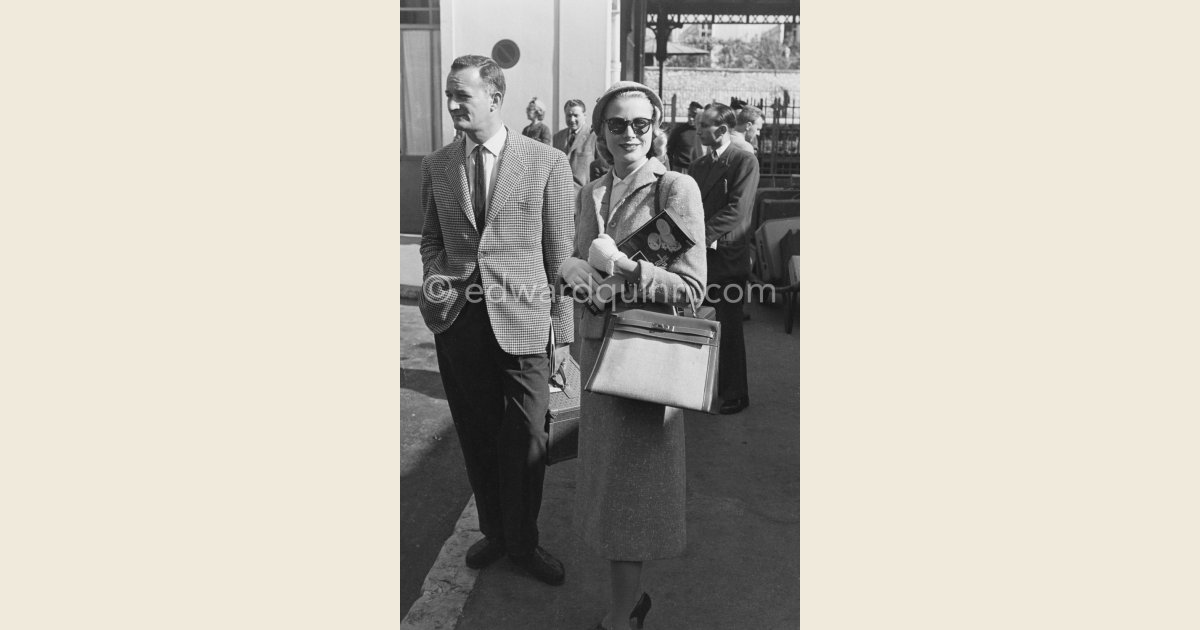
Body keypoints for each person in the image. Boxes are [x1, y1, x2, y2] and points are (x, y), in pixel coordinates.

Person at [419, 54, 574, 586]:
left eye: (462, 94)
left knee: (528, 438)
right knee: (477, 433)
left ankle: (524, 542)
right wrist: (439, 284)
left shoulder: (545, 162)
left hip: (525, 321)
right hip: (459, 323)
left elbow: (559, 252)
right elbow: (432, 238)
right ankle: (496, 532)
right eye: (448, 94)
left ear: (495, 96)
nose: (453, 104)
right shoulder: (438, 164)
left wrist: (564, 331)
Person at [558, 81, 706, 630]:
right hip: (599, 360)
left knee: (631, 497)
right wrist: (572, 272)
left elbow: (691, 290)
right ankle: (626, 604)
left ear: (656, 128)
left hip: (645, 363)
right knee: (607, 490)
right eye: (617, 124)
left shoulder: (675, 189)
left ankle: (622, 613)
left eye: (641, 124)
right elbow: (581, 266)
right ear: (600, 132)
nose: (630, 134)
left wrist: (624, 266)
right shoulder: (590, 191)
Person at [689, 102, 760, 415]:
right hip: (698, 258)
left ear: (721, 128)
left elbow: (737, 211)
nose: (699, 130)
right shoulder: (699, 166)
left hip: (727, 258)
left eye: (704, 125)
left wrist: (696, 236)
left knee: (729, 329)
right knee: (695, 323)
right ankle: (694, 389)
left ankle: (734, 394)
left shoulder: (744, 161)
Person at [552, 98, 600, 190]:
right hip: (561, 193)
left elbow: (601, 170)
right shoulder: (557, 137)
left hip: (584, 194)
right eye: (569, 115)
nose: (572, 119)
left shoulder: (594, 136)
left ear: (584, 116)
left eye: (575, 115)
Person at [664, 100, 703, 175]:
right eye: (689, 115)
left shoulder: (704, 132)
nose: (691, 118)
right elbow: (668, 152)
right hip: (680, 170)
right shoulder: (679, 131)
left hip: (699, 170)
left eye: (694, 115)